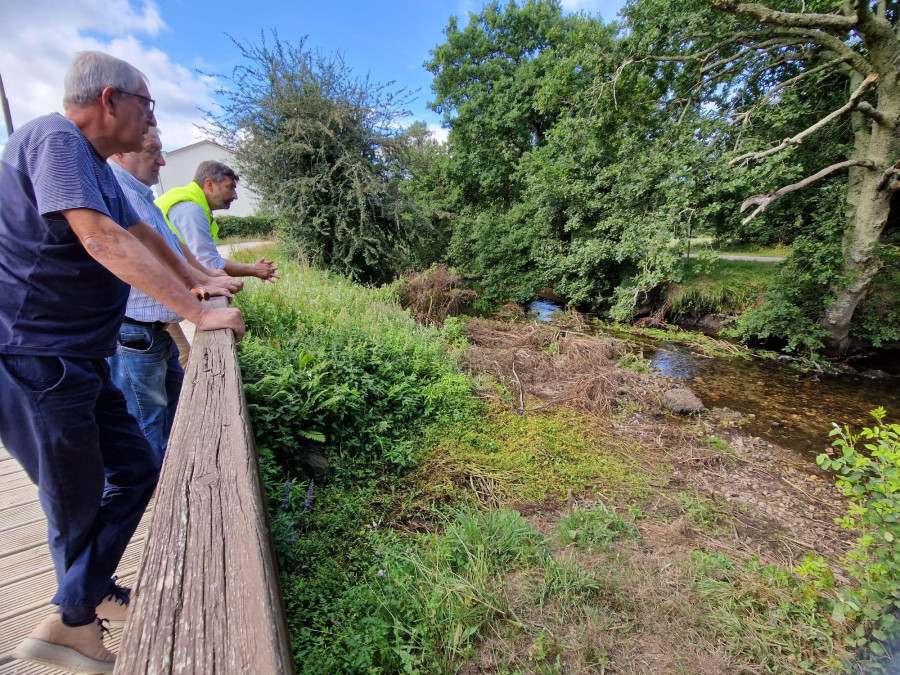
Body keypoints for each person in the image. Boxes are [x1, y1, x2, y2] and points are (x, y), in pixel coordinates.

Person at [0, 51, 245, 673]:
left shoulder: (100, 167)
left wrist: (200, 281)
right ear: (110, 100)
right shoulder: (54, 139)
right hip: (35, 354)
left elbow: (141, 231)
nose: (150, 120)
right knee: (73, 498)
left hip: (80, 352)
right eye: (147, 104)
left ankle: (78, 604)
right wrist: (199, 313)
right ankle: (76, 619)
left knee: (135, 470)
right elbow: (100, 238)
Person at [107, 128, 244, 466]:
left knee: (175, 408)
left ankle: (172, 471)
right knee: (146, 424)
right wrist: (200, 312)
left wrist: (202, 276)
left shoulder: (142, 195)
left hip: (155, 330)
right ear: (120, 151)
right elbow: (137, 261)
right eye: (153, 151)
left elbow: (168, 244)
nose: (162, 161)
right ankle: (149, 494)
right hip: (134, 331)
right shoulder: (117, 191)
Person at [156, 161, 280, 283]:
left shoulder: (188, 200)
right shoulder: (190, 210)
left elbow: (205, 259)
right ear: (209, 184)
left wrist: (252, 268)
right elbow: (209, 264)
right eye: (230, 187)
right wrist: (252, 270)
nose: (235, 196)